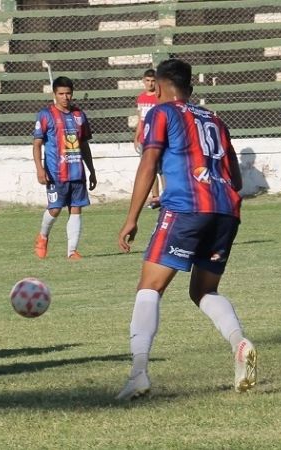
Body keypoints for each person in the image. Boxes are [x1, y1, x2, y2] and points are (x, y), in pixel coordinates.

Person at [115, 59, 256, 400]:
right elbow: (236, 179)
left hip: (186, 208)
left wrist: (132, 217)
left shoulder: (161, 113)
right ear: (189, 87)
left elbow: (148, 163)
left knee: (149, 286)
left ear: (161, 86)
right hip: (226, 211)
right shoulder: (215, 120)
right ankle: (239, 342)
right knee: (204, 291)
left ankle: (138, 373)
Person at [32, 76, 97, 260]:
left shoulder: (79, 115)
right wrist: (39, 169)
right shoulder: (46, 115)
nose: (65, 97)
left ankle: (72, 251)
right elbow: (37, 144)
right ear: (54, 94)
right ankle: (43, 236)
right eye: (61, 94)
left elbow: (84, 145)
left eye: (68, 93)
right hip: (55, 173)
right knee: (55, 209)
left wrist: (91, 170)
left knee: (76, 208)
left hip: (77, 171)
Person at [133, 68, 162, 209]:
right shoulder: (141, 98)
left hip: (157, 138)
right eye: (148, 80)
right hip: (145, 140)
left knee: (162, 169)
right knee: (149, 169)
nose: (150, 83)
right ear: (143, 81)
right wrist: (136, 137)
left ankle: (167, 196)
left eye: (153, 81)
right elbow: (141, 120)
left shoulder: (160, 97)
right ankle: (155, 197)